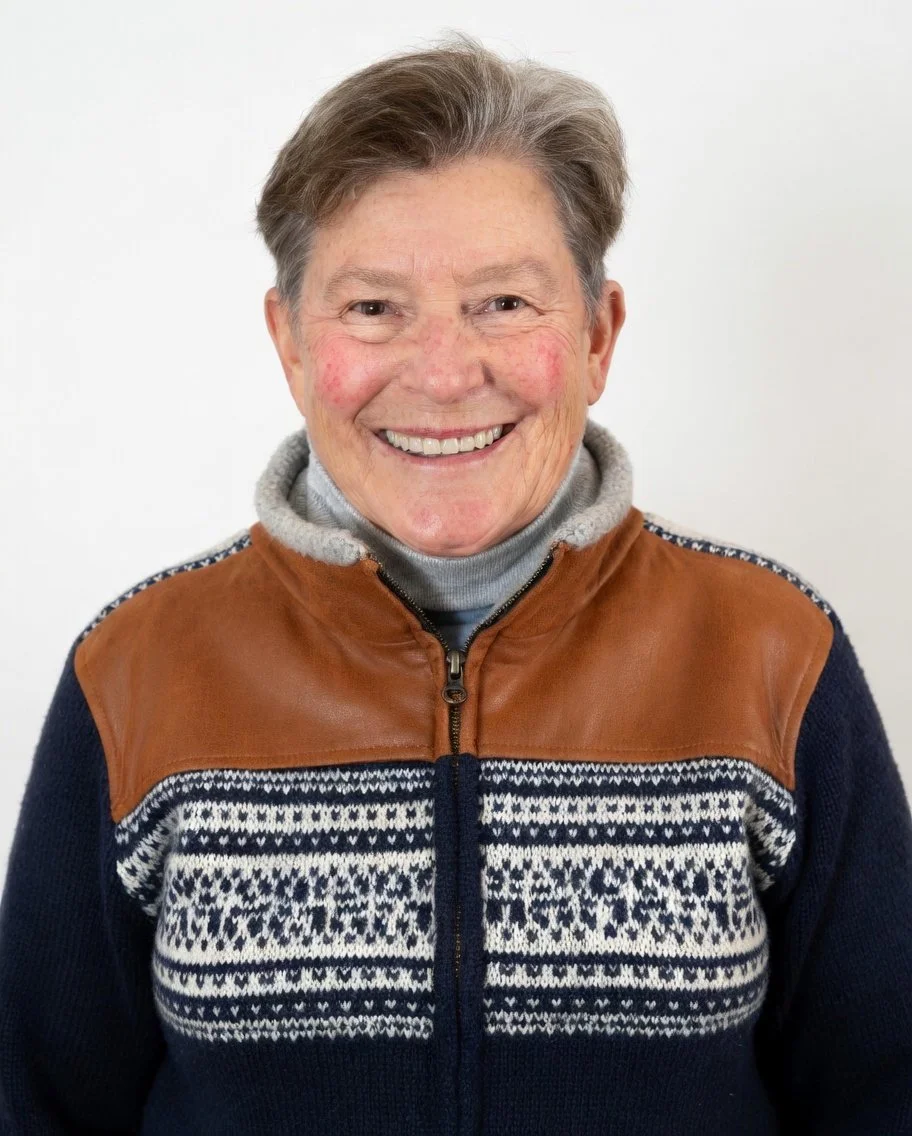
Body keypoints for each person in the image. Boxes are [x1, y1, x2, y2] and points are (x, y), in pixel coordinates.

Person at [1, 29, 910, 1136]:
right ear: (290, 341)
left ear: (596, 334)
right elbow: (37, 1103)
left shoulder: (774, 649)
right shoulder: (136, 668)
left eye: (504, 303)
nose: (441, 374)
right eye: (374, 307)